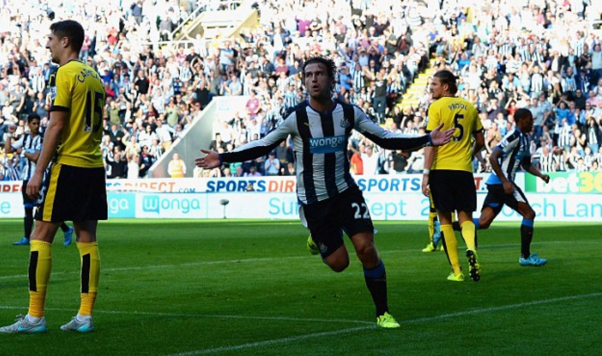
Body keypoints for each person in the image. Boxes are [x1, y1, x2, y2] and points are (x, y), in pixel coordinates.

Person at [196, 57, 454, 328]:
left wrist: (426, 139)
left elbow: (384, 138)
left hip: (345, 192)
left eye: (320, 73)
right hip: (315, 201)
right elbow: (264, 144)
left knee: (366, 249)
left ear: (331, 79)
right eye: (308, 75)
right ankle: (316, 236)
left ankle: (383, 313)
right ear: (304, 81)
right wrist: (223, 157)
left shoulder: (349, 113)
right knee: (339, 263)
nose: (314, 79)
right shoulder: (296, 118)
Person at [0, 20, 107, 334]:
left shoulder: (64, 74)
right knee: (87, 240)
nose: (47, 44)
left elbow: (57, 125)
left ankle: (35, 317)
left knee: (40, 235)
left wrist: (38, 170)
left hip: (69, 165)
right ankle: (85, 316)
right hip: (93, 165)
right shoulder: (94, 77)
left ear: (65, 41)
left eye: (50, 39)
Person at [453, 108, 549, 266]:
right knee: (529, 214)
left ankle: (444, 227)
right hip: (502, 184)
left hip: (497, 184)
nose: (532, 122)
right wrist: (505, 181)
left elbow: (525, 164)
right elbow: (493, 156)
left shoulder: (525, 139)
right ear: (521, 120)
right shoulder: (513, 136)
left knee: (483, 223)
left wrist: (540, 175)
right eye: (529, 119)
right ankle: (525, 257)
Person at [422, 70, 485, 282]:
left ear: (446, 86)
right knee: (465, 216)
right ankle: (471, 248)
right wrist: (469, 153)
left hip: (441, 170)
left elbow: (431, 143)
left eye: (434, 84)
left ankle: (457, 272)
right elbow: (482, 142)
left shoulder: (436, 107)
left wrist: (425, 174)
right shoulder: (470, 108)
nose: (431, 88)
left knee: (445, 220)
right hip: (464, 169)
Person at [5, 115, 75, 247]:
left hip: (40, 179)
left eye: (38, 123)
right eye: (34, 124)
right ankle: (26, 237)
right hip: (27, 178)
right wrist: (9, 134)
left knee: (43, 210)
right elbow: (8, 150)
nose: (37, 126)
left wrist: (23, 151)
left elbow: (36, 157)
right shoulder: (25, 138)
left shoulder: (43, 139)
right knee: (28, 209)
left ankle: (66, 229)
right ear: (28, 125)